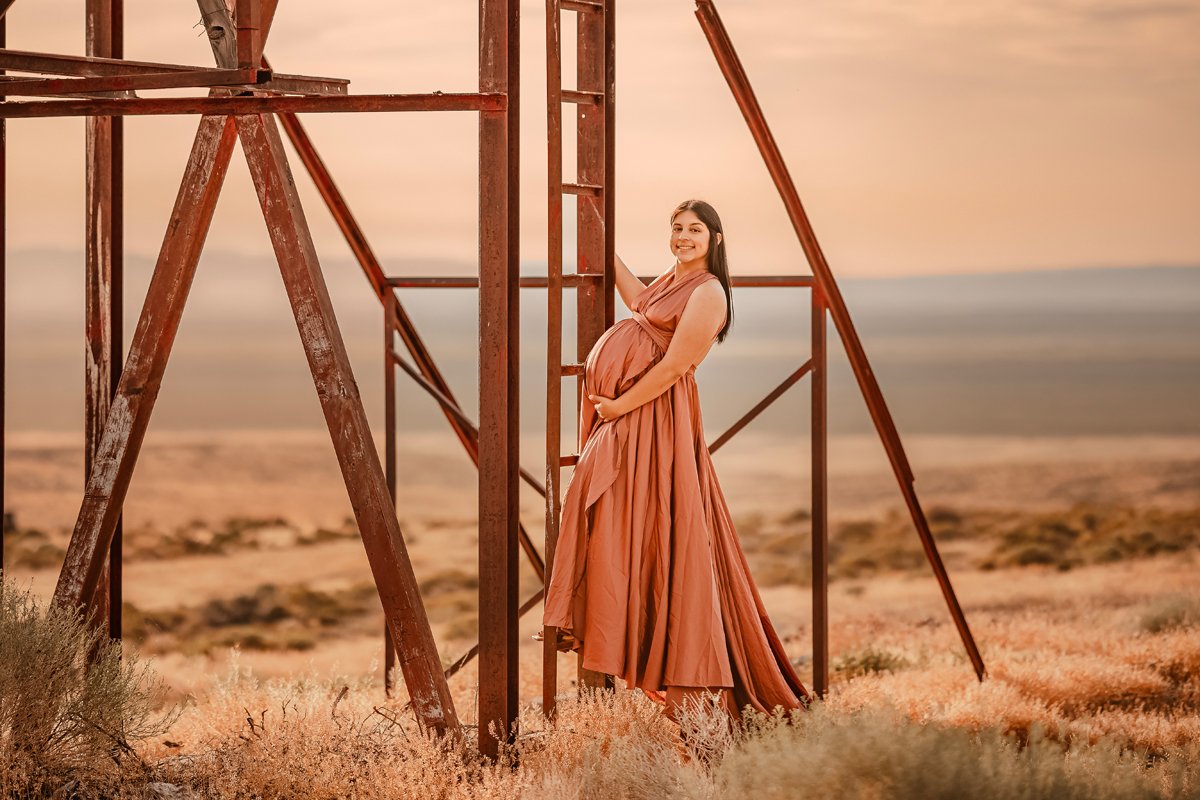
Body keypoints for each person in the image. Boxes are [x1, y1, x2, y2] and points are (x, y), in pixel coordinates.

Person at [541, 199, 812, 721]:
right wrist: (601, 241)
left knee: (635, 515)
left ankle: (662, 649)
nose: (684, 237)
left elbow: (675, 365)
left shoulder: (710, 292)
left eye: (695, 230)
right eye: (677, 228)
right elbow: (640, 301)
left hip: (652, 417)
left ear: (715, 238)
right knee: (615, 517)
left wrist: (618, 404)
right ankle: (610, 616)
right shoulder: (671, 280)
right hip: (630, 417)